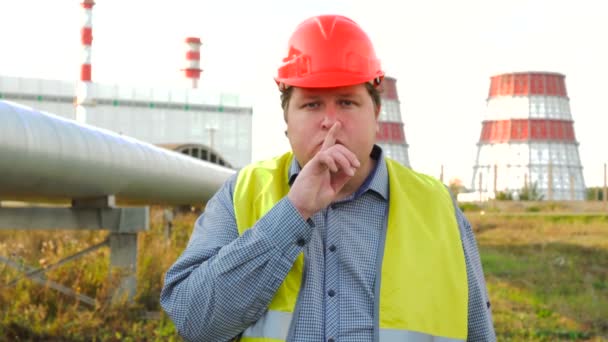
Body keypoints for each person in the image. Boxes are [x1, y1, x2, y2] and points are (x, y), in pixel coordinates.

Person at [161, 14, 495, 342]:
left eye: (347, 102)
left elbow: (478, 331)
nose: (330, 121)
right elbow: (194, 321)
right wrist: (293, 212)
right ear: (286, 120)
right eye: (312, 105)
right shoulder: (242, 193)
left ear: (376, 114)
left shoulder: (435, 206)